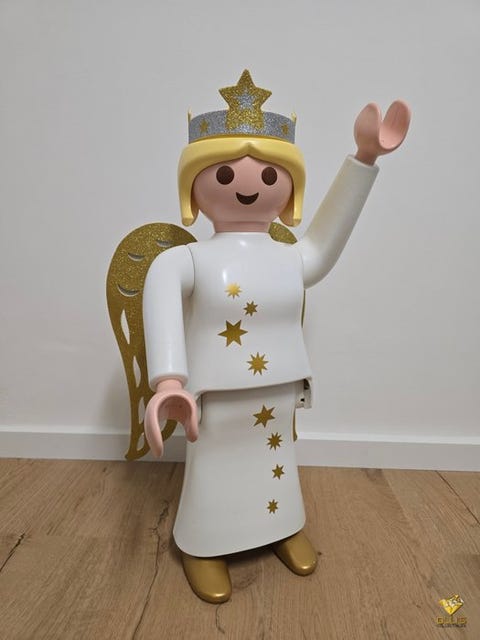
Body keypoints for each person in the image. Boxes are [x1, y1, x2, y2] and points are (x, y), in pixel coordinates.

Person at [142, 70, 410, 603]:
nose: (248, 186)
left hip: (281, 387)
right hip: (214, 396)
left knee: (277, 462)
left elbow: (327, 240)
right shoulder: (183, 260)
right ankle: (204, 543)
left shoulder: (293, 258)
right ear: (193, 185)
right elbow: (161, 309)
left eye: (270, 176)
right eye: (223, 174)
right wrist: (169, 381)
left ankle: (282, 526)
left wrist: (364, 159)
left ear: (289, 187)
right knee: (215, 467)